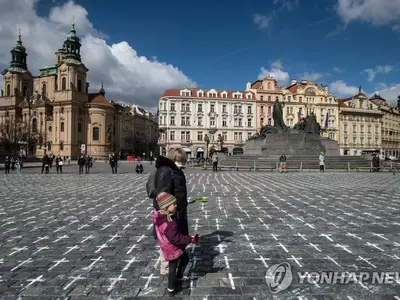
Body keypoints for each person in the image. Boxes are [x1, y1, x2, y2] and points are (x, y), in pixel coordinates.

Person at [153, 192, 199, 296]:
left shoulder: (163, 217)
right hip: (172, 248)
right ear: (166, 207)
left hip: (171, 246)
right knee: (172, 268)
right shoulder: (167, 223)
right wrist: (190, 239)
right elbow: (176, 238)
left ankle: (178, 280)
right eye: (173, 204)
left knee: (185, 259)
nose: (176, 205)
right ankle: (171, 289)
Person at [152, 148, 189, 276]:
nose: (183, 163)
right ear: (174, 159)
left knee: (173, 237)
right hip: (170, 213)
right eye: (181, 161)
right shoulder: (166, 171)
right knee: (168, 239)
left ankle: (171, 263)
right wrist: (167, 213)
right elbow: (163, 195)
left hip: (177, 210)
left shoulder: (174, 170)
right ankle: (166, 268)